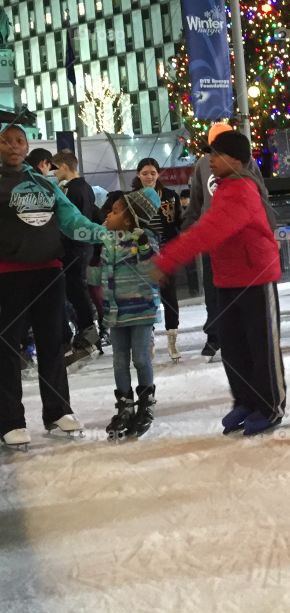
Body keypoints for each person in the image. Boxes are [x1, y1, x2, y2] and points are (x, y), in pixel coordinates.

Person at [154, 129, 285, 437]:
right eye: (210, 153)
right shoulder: (225, 188)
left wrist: (167, 259)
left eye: (217, 154)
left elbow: (209, 230)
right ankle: (245, 400)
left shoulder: (242, 190)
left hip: (255, 278)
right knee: (233, 346)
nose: (210, 160)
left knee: (261, 346)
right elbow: (203, 223)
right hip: (226, 278)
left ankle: (270, 405)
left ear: (237, 160)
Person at [0, 124, 106, 448]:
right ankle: (10, 421)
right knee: (7, 348)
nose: (14, 146)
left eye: (20, 141)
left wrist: (105, 236)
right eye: (6, 141)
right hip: (8, 275)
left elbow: (72, 219)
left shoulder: (45, 183)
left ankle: (58, 411)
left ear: (28, 145)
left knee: (53, 343)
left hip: (49, 272)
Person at [183, 123, 276, 359]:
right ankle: (214, 335)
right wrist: (188, 226)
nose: (214, 155)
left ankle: (243, 336)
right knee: (213, 291)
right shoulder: (202, 166)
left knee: (241, 292)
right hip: (212, 239)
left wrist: (268, 228)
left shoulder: (245, 164)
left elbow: (261, 194)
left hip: (240, 239)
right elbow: (196, 200)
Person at [95, 188, 161, 440]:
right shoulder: (109, 241)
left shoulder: (145, 239)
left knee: (141, 358)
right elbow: (104, 273)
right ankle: (125, 406)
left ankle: (146, 403)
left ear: (129, 218)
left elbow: (153, 267)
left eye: (113, 212)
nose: (107, 217)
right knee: (119, 360)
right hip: (115, 311)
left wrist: (143, 245)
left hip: (141, 310)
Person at [133, 157, 184, 363]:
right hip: (142, 255)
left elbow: (178, 222)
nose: (149, 176)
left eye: (153, 173)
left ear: (158, 174)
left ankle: (172, 339)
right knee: (146, 299)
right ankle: (149, 340)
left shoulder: (170, 196)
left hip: (167, 253)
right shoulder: (132, 198)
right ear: (138, 175)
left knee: (169, 297)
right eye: (145, 173)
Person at [52, 148, 100, 361]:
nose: (53, 174)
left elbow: (73, 220)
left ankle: (88, 332)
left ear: (63, 166)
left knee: (75, 289)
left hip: (75, 247)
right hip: (82, 245)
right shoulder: (86, 188)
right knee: (76, 289)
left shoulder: (72, 190)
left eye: (55, 169)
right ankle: (88, 332)